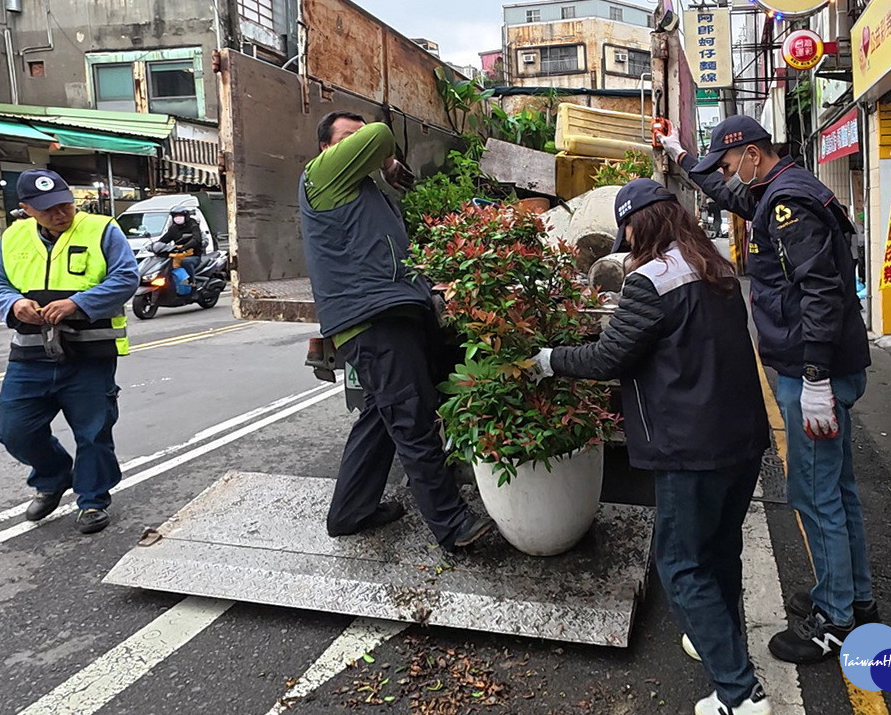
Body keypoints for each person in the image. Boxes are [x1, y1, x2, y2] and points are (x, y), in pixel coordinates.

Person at [530, 179, 773, 715]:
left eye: (628, 232)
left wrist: (548, 360)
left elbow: (607, 358)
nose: (628, 242)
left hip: (691, 447)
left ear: (640, 225)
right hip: (742, 437)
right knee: (720, 548)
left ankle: (740, 694)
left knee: (681, 564)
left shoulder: (651, 280)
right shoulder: (716, 268)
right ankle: (718, 638)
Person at [660, 116, 878, 664]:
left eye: (730, 162)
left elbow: (822, 291)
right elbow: (726, 194)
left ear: (753, 154)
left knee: (814, 493)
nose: (727, 173)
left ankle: (835, 620)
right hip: (820, 365)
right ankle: (855, 595)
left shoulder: (788, 206)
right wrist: (679, 154)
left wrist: (816, 378)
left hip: (812, 370)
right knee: (838, 486)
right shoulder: (780, 190)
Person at [300, 111, 493, 551]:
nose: (359, 142)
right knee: (411, 418)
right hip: (371, 318)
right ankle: (451, 525)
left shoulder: (363, 193)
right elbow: (382, 133)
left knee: (381, 414)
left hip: (390, 314)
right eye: (348, 137)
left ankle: (350, 511)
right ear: (327, 148)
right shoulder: (321, 175)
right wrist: (386, 159)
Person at [0, 170, 140, 534]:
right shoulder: (13, 237)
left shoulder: (103, 230)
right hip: (30, 355)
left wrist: (77, 303)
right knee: (13, 429)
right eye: (47, 209)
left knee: (93, 431)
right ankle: (54, 476)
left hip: (89, 355)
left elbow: (125, 278)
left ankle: (92, 501)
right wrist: (13, 303)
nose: (60, 214)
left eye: (64, 204)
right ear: (26, 209)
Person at [157, 207, 203, 285]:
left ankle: (192, 283)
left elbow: (196, 239)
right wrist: (155, 246)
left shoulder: (193, 225)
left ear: (186, 216)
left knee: (185, 262)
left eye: (180, 215)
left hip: (193, 256)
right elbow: (164, 239)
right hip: (177, 255)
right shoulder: (173, 228)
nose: (178, 218)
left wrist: (185, 247)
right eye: (176, 216)